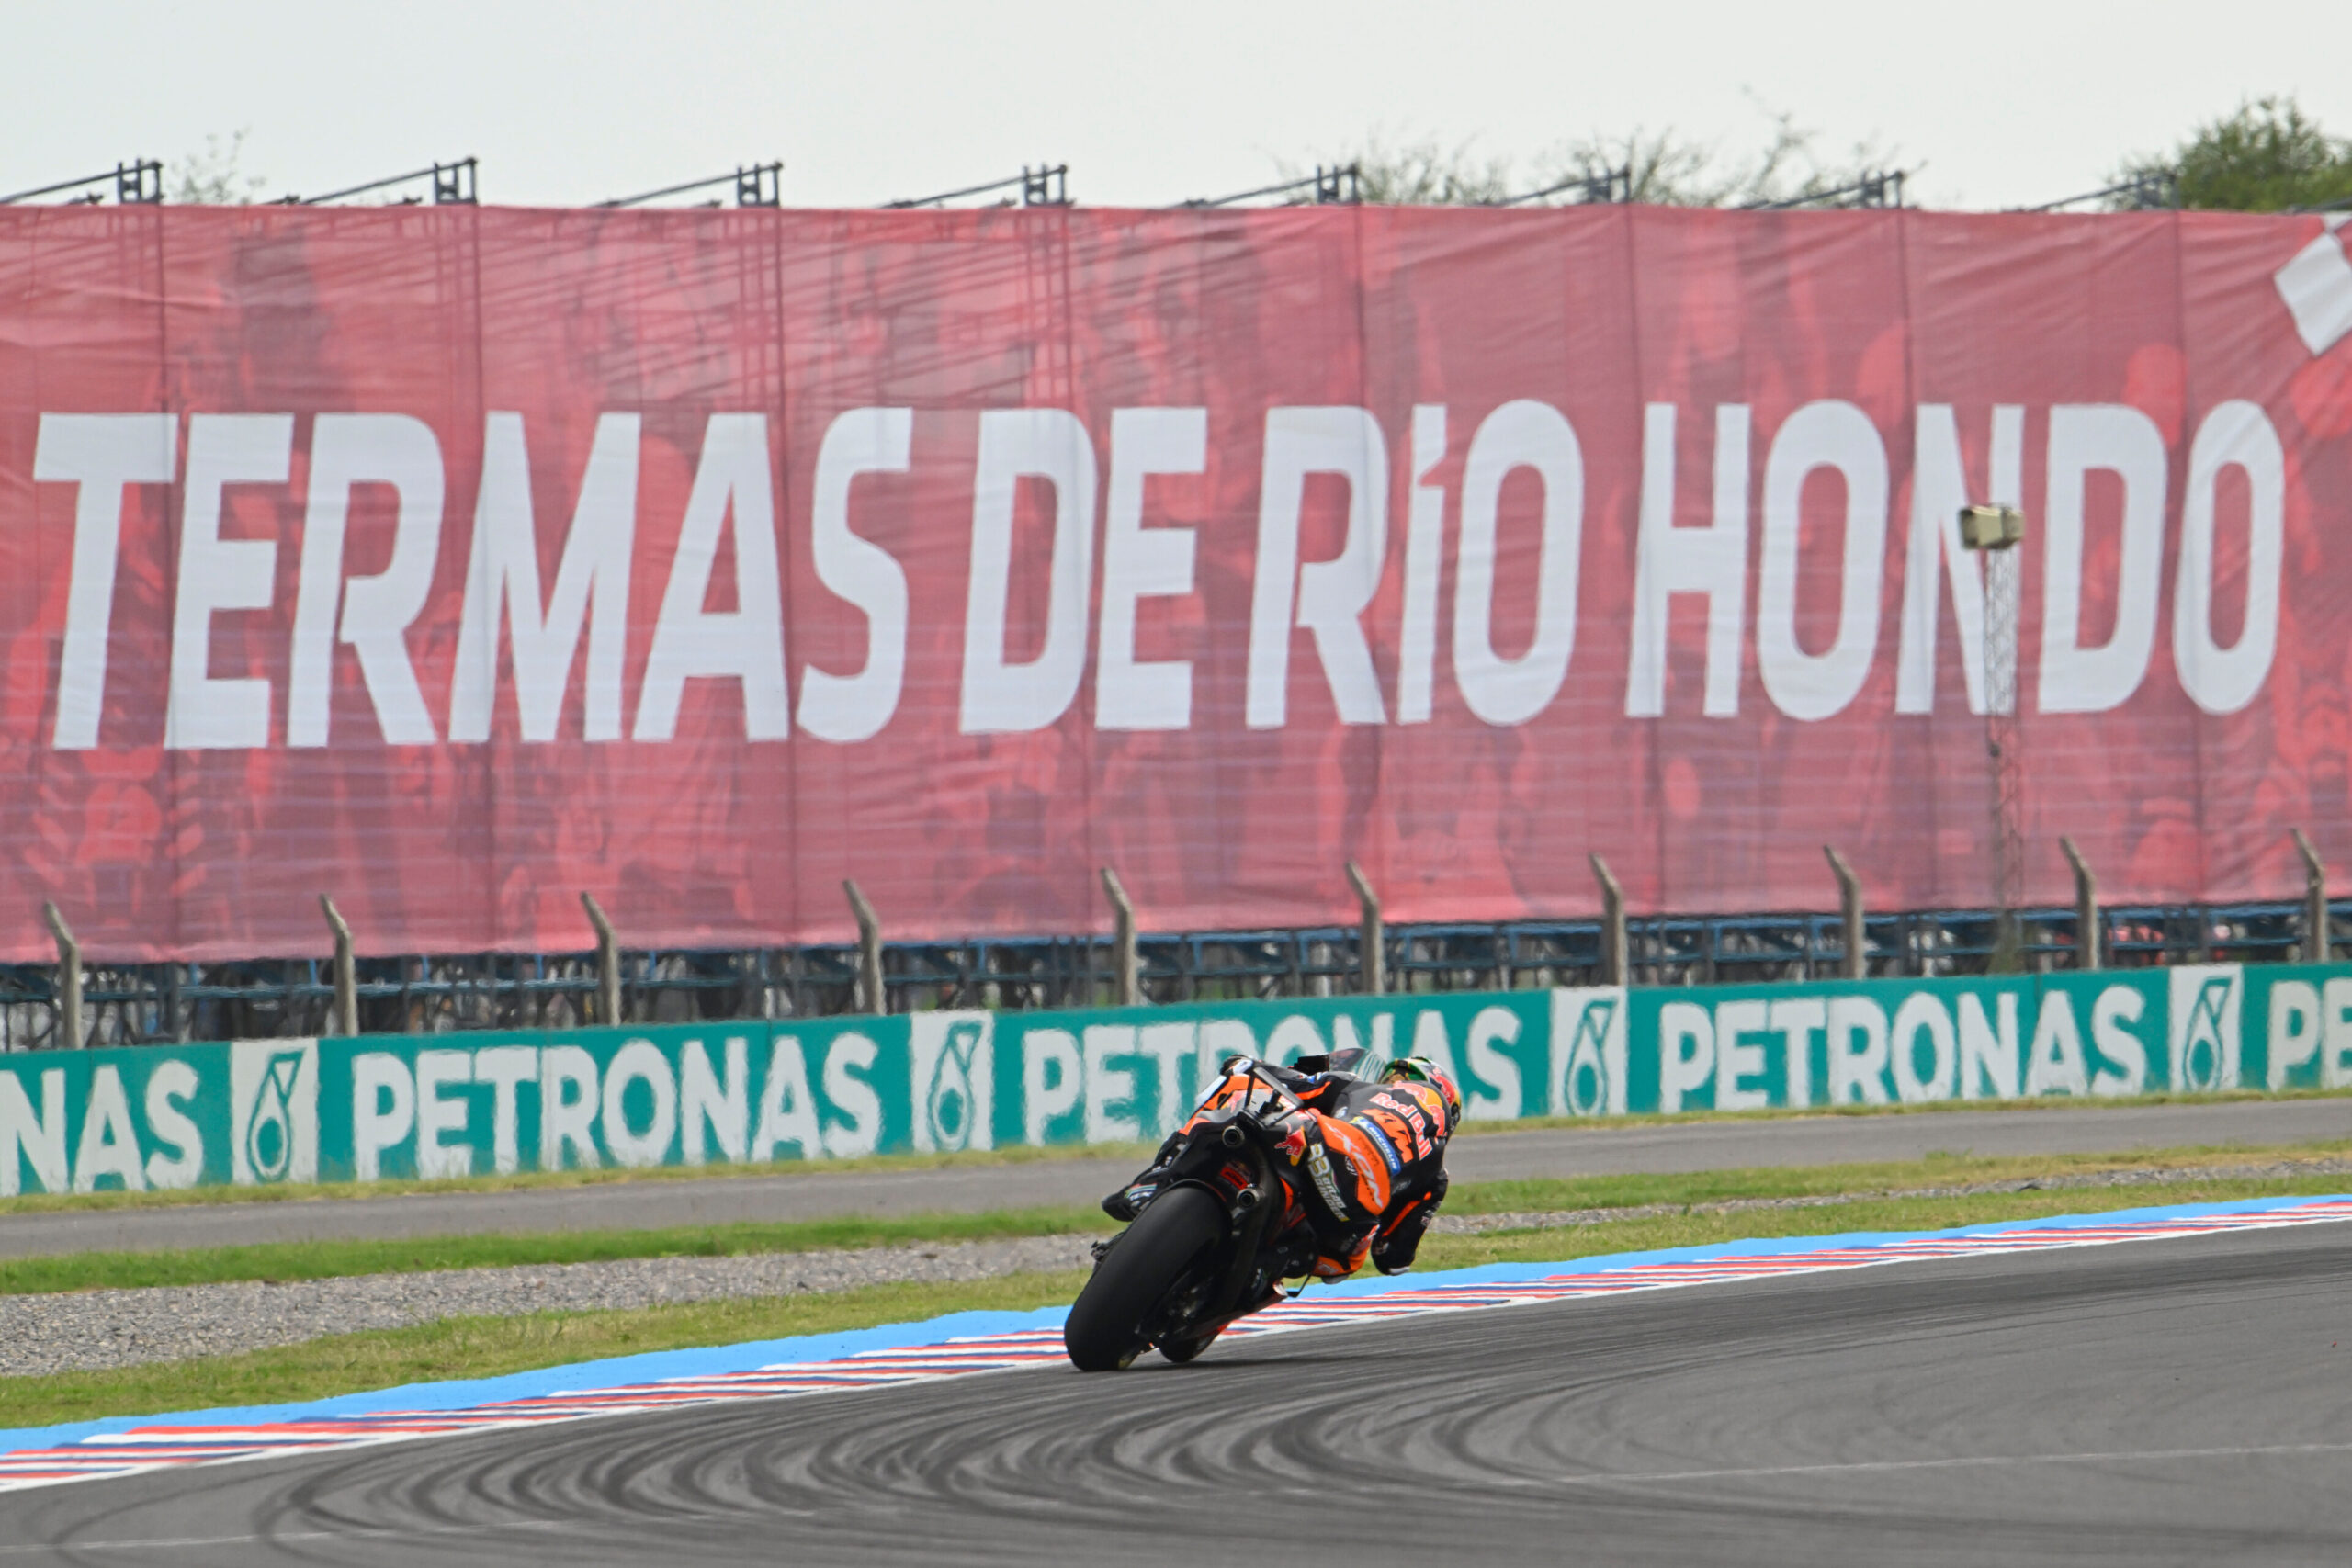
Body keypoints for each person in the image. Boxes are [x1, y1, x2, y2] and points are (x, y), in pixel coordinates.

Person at [1103, 1053, 1463, 1280]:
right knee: (1338, 1263)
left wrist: (1244, 1063)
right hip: (1354, 1207)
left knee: (1239, 1086)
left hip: (1328, 1143)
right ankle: (1262, 1268)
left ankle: (1157, 1178)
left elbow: (1285, 1081)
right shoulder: (1435, 1174)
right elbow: (1393, 1259)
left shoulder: (1356, 1087)